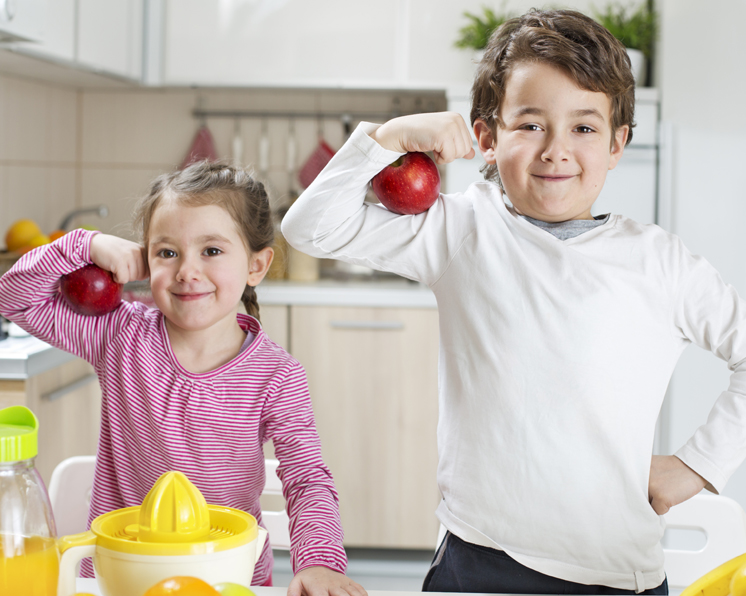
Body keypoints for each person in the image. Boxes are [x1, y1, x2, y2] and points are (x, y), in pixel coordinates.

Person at [281, 8, 746, 595]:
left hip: (614, 570)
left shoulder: (661, 262)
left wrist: (700, 464)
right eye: (530, 125)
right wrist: (385, 140)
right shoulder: (460, 230)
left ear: (617, 144)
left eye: (583, 128)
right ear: (486, 139)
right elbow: (311, 229)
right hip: (475, 558)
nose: (556, 150)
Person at [0, 161, 366, 596]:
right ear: (145, 258)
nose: (187, 271)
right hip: (119, 576)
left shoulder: (276, 376)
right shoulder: (119, 334)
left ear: (256, 266)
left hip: (228, 577)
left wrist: (320, 564)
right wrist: (86, 244)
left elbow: (307, 478)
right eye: (167, 252)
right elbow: (14, 299)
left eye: (211, 251)